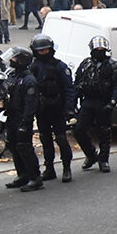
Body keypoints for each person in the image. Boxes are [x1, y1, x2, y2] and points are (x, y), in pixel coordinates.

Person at [72, 36, 117, 173]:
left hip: (104, 101)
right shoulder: (85, 64)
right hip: (88, 100)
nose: (99, 51)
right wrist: (73, 103)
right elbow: (77, 83)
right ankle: (91, 155)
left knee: (104, 131)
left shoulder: (112, 65)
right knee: (79, 130)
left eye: (102, 49)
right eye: (97, 49)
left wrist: (112, 102)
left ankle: (104, 160)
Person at [29, 34, 75, 183]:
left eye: (45, 50)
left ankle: (66, 168)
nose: (43, 53)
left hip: (57, 108)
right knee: (45, 139)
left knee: (61, 138)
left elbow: (69, 88)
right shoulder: (33, 67)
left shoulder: (59, 66)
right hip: (42, 109)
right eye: (40, 51)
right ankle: (49, 168)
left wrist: (69, 108)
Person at [3, 46, 43, 191]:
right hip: (12, 116)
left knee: (24, 147)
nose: (12, 60)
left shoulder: (29, 80)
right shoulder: (15, 76)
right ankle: (23, 175)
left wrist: (26, 122)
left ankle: (35, 177)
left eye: (14, 58)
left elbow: (30, 104)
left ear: (21, 61)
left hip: (22, 117)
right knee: (13, 146)